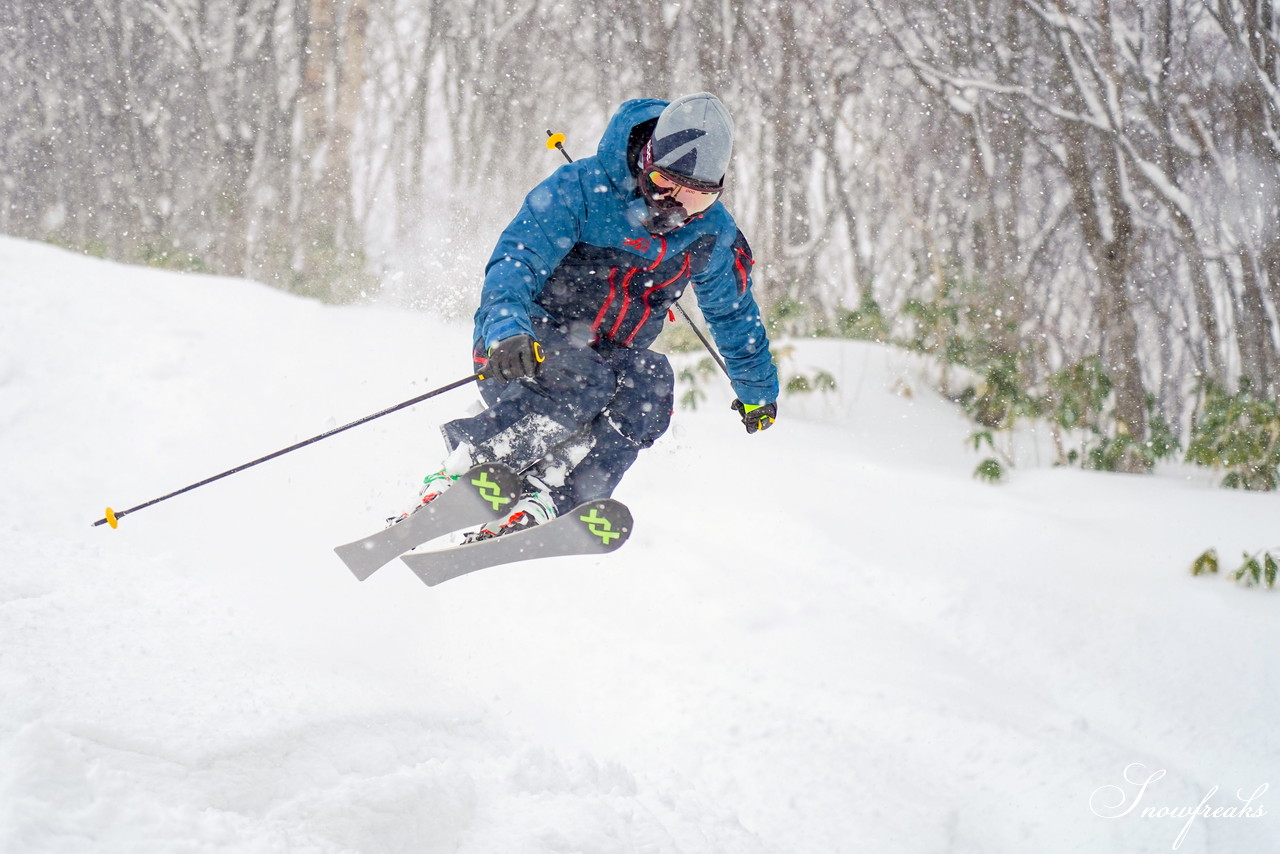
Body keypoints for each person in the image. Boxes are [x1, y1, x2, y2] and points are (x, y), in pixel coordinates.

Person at [399, 92, 779, 540]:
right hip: (523, 349)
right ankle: (470, 468)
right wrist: (506, 331)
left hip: (607, 358)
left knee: (652, 383)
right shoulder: (580, 189)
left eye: (695, 198)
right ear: (645, 160)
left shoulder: (713, 234)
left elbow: (733, 313)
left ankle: (554, 495)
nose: (673, 206)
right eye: (662, 184)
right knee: (585, 377)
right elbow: (515, 263)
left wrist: (757, 389)